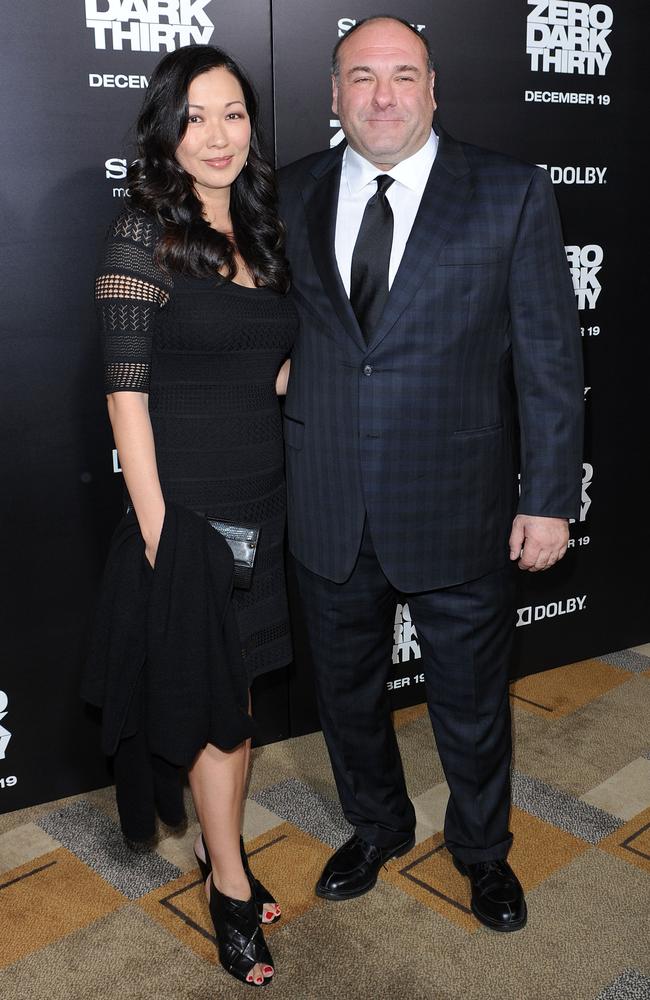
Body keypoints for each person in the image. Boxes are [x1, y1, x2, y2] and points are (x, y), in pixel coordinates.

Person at [278, 15, 583, 932]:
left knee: (473, 704)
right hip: (326, 497)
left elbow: (548, 358)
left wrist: (549, 499)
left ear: (434, 90)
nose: (382, 95)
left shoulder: (509, 191)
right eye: (361, 76)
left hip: (459, 505)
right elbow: (257, 323)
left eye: (402, 75)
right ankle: (377, 825)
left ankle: (483, 853)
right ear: (333, 93)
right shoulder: (286, 191)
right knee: (346, 697)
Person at [86, 44, 297, 986]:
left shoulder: (264, 223)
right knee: (216, 705)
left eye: (234, 114)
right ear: (167, 130)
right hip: (190, 513)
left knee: (239, 697)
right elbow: (123, 396)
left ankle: (221, 852)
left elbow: (271, 364)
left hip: (266, 497)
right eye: (197, 116)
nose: (218, 136)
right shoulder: (143, 234)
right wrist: (161, 530)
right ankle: (228, 882)